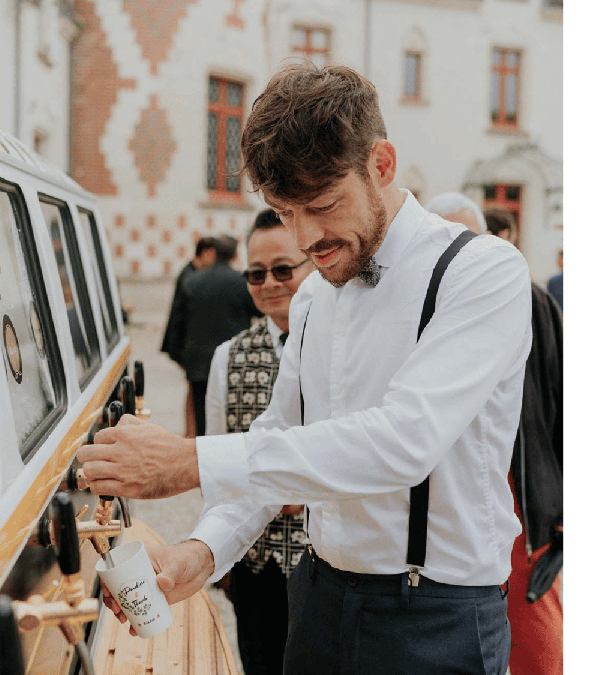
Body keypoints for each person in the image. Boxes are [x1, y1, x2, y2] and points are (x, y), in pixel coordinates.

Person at [80, 62, 531, 675]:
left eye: (322, 205)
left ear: (382, 165)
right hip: (316, 599)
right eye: (286, 212)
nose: (305, 237)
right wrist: (203, 549)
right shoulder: (317, 292)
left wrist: (189, 460)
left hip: (433, 619)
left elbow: (404, 443)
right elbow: (278, 440)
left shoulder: (483, 272)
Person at [433, 198, 564, 675]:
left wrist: (563, 513)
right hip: (449, 511)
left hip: (519, 502)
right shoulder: (417, 306)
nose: (458, 256)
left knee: (539, 649)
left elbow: (564, 403)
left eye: (470, 241)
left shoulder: (533, 302)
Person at [204, 209, 312, 675]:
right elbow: (216, 454)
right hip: (254, 561)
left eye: (283, 270)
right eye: (256, 273)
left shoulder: (342, 348)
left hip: (324, 560)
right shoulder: (227, 356)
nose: (269, 283)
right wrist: (215, 557)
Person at [162, 234, 261, 436]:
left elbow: (177, 321)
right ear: (234, 255)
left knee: (202, 417)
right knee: (233, 415)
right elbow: (258, 310)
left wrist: (178, 354)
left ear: (214, 253)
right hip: (235, 360)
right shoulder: (241, 282)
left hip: (199, 363)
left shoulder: (192, 281)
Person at [162, 236, 218, 437]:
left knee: (192, 391)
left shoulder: (191, 272)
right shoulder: (190, 276)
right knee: (194, 393)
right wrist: (179, 351)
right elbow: (179, 317)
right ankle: (190, 433)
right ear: (205, 253)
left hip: (185, 345)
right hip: (186, 345)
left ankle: (190, 432)